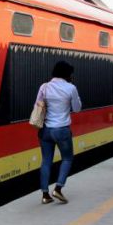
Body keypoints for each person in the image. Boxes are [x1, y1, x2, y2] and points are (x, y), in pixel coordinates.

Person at [34, 60, 82, 204]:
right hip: (62, 130)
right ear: (68, 74)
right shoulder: (70, 88)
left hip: (46, 130)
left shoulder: (45, 86)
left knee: (46, 161)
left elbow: (37, 105)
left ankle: (45, 195)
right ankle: (58, 188)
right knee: (67, 158)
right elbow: (77, 108)